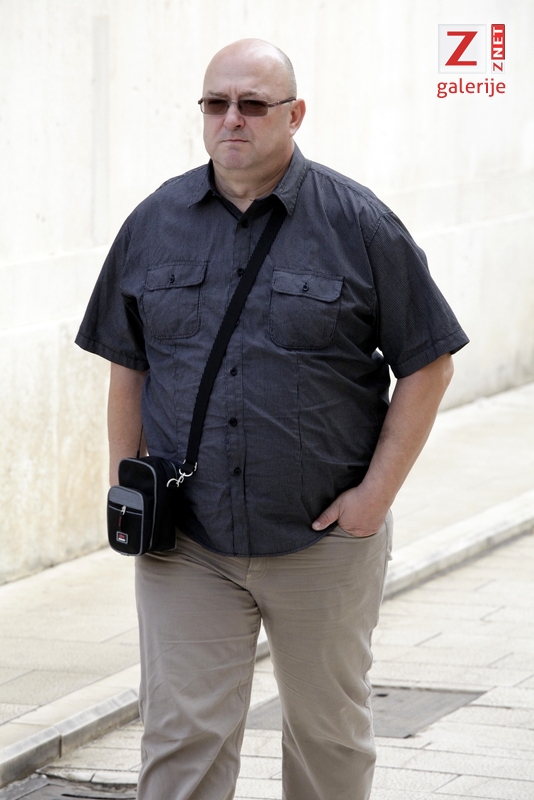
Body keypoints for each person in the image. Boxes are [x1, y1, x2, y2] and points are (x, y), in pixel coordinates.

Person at [76, 38, 468, 800]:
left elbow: (429, 363)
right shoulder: (153, 223)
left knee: (328, 743)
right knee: (180, 742)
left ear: (295, 114)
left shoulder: (359, 224)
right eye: (216, 103)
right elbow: (128, 363)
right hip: (188, 545)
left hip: (322, 543)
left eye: (253, 104)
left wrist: (374, 499)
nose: (232, 119)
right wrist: (131, 486)